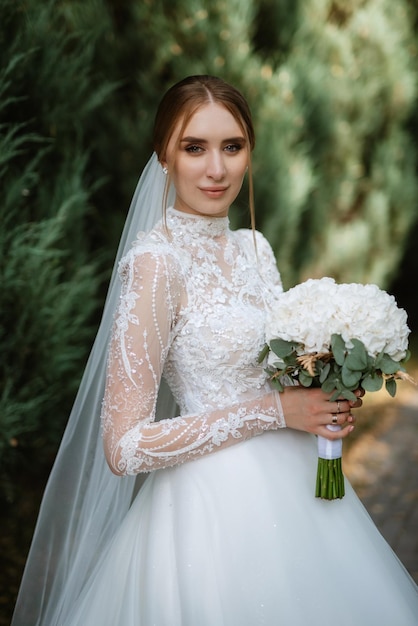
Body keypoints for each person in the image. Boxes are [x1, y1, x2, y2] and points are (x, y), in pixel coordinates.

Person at [12, 75, 417, 626]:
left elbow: (277, 372)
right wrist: (276, 411)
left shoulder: (256, 247)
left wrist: (323, 393)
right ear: (164, 156)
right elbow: (125, 447)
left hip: (299, 491)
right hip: (207, 517)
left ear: (250, 150)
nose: (217, 168)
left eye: (232, 146)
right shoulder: (156, 266)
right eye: (194, 147)